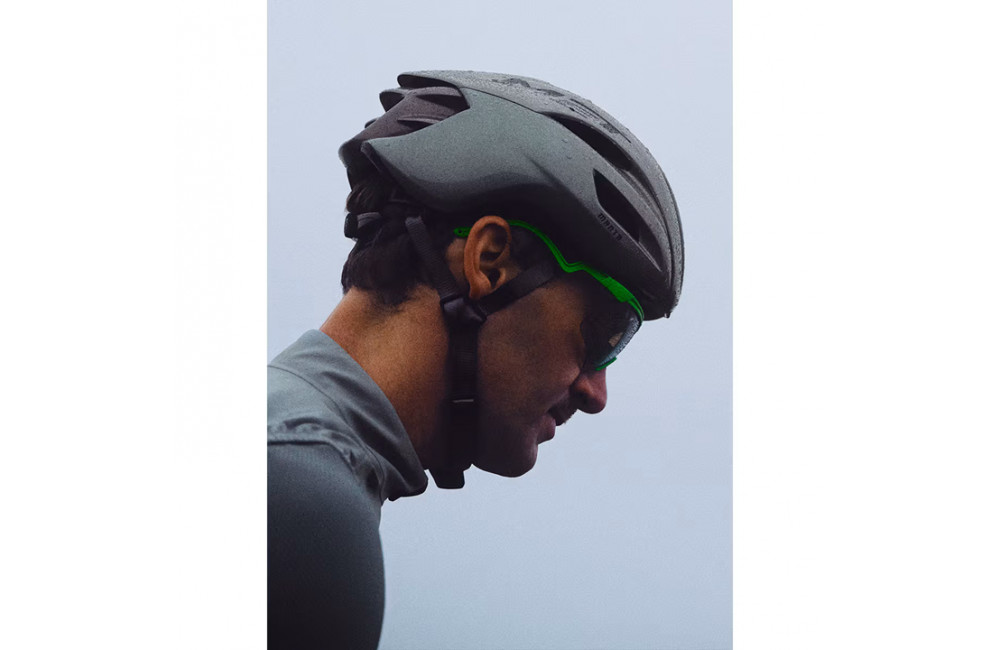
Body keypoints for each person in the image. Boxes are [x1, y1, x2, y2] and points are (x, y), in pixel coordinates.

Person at [267, 70, 684, 649]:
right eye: (605, 335)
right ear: (489, 263)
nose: (596, 394)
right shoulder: (303, 510)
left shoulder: (286, 458)